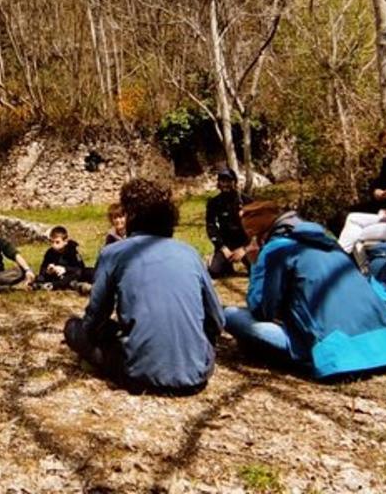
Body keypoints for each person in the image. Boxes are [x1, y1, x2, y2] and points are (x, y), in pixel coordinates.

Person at [225, 201, 386, 379]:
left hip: (336, 352)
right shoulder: (330, 242)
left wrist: (255, 264)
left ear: (258, 235)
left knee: (230, 314)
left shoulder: (276, 249)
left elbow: (262, 310)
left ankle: (304, 353)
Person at [64, 179, 224, 394]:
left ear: (130, 217)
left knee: (73, 327)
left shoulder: (114, 253)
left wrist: (88, 335)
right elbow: (216, 319)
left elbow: (96, 316)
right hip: (197, 374)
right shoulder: (190, 253)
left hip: (139, 374)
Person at [328, 126, 386, 235]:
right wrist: (375, 191)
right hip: (383, 204)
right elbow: (378, 182)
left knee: (348, 219)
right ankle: (353, 249)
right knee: (339, 217)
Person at [206, 169, 252, 278]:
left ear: (234, 182)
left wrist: (244, 249)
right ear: (219, 183)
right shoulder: (214, 203)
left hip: (245, 244)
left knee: (257, 271)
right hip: (225, 244)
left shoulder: (247, 201)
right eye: (222, 181)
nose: (225, 184)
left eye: (228, 181)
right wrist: (222, 247)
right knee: (214, 272)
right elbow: (211, 226)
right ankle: (219, 261)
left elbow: (257, 228)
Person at [34, 226, 94, 293]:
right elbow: (42, 269)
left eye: (57, 242)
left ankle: (57, 285)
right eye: (52, 242)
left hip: (70, 275)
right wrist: (48, 270)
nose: (54, 245)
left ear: (65, 241)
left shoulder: (72, 251)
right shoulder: (50, 252)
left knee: (89, 272)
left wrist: (64, 269)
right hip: (56, 277)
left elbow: (80, 269)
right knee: (39, 278)